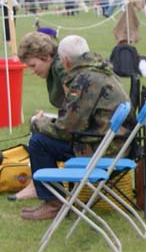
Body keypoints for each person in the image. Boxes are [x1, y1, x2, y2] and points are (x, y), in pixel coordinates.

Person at [20, 35, 135, 221]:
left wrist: (37, 122)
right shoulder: (102, 70)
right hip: (116, 144)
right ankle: (53, 200)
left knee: (39, 142)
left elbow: (66, 129)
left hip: (102, 150)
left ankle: (53, 203)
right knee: (44, 138)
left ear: (64, 61)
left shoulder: (84, 80)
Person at [11, 31, 68, 201]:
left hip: (87, 142)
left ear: (45, 56)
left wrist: (45, 123)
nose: (32, 71)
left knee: (38, 136)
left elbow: (76, 112)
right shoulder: (58, 66)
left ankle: (43, 190)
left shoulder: (61, 69)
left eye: (33, 65)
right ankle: (36, 184)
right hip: (86, 131)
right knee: (39, 124)